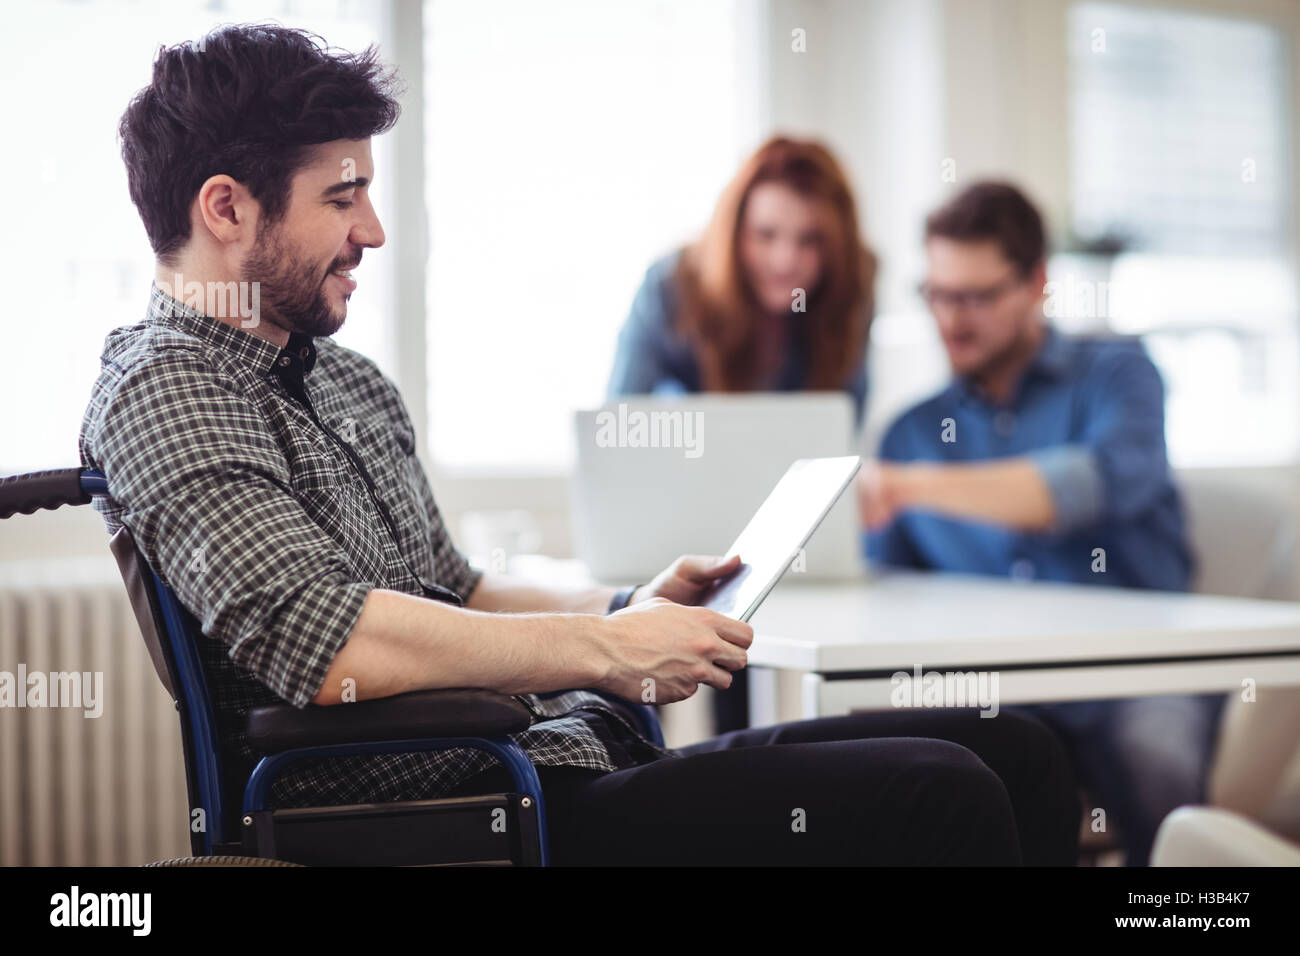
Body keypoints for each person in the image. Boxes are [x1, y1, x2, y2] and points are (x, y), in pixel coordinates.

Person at [81, 25, 1080, 865]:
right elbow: (330, 641)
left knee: (1017, 745)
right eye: (342, 198)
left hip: (552, 757)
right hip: (451, 809)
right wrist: (604, 650)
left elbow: (457, 589)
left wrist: (628, 604)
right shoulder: (168, 385)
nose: (374, 230)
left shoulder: (346, 380)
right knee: (937, 789)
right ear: (226, 208)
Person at [859, 180, 1224, 866]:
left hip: (1137, 671)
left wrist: (909, 486)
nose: (953, 319)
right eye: (938, 294)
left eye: (977, 297)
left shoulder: (1118, 375)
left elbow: (1082, 488)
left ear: (1037, 284)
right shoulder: (912, 431)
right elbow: (883, 595)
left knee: (1158, 756)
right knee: (917, 772)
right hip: (992, 686)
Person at [607, 135, 875, 734]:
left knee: (744, 670)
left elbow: (838, 437)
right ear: (736, 231)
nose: (786, 260)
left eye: (810, 241)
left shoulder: (849, 299)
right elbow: (617, 431)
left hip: (785, 552)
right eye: (766, 235)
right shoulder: (672, 287)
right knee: (636, 671)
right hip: (667, 529)